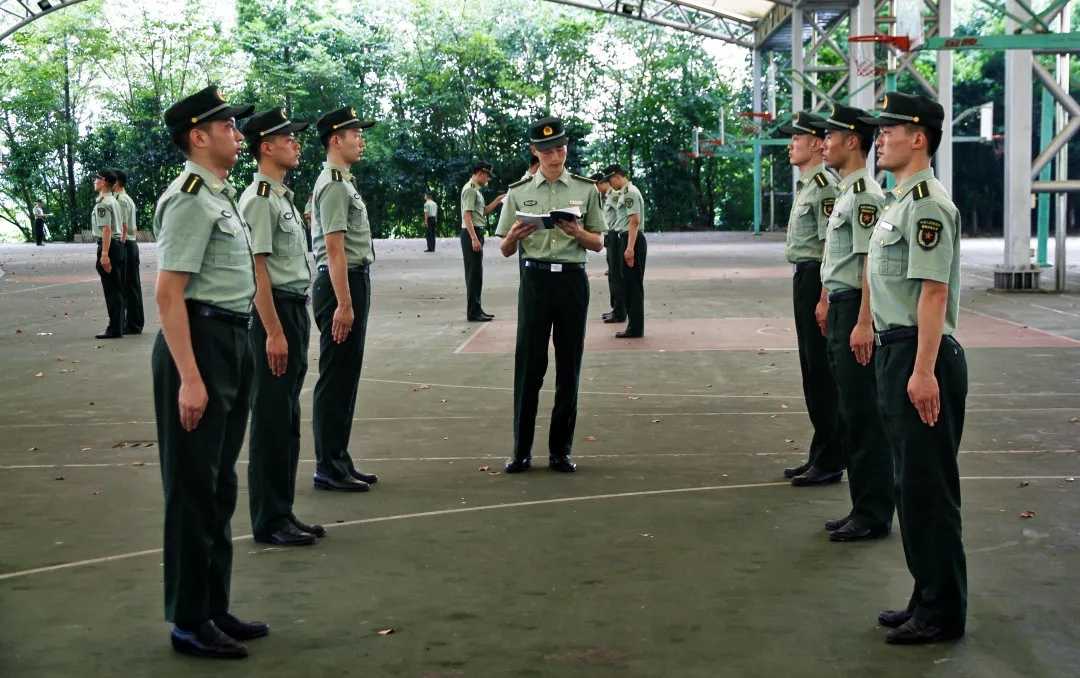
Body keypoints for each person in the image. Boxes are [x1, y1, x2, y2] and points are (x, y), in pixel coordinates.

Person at [153, 85, 267, 659]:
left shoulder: (219, 196)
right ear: (199, 136)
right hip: (196, 344)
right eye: (227, 126)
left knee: (220, 482)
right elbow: (168, 295)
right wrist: (190, 379)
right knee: (194, 487)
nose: (237, 133)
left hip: (231, 337)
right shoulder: (190, 198)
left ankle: (213, 605)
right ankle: (188, 620)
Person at [860, 92, 967, 645]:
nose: (880, 137)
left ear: (918, 137)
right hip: (896, 348)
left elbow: (933, 291)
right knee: (909, 484)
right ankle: (925, 594)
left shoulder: (927, 203)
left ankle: (942, 611)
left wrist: (923, 370)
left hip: (921, 353)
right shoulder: (900, 200)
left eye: (889, 130)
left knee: (928, 489)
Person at [495, 116, 604, 474]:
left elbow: (599, 243)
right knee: (529, 366)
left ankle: (560, 450)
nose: (554, 155)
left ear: (566, 148)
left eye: (559, 147)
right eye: (546, 150)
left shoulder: (586, 189)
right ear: (534, 152)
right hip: (536, 282)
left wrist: (576, 232)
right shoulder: (518, 191)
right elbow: (506, 249)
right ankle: (521, 451)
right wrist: (515, 235)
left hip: (572, 281)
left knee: (569, 367)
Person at [238, 108, 323, 546]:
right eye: (287, 137)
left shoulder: (282, 197)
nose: (296, 143)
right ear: (266, 147)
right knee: (271, 418)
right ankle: (269, 520)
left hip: (293, 309)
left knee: (287, 416)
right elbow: (258, 271)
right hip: (274, 314)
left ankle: (283, 511)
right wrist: (272, 330)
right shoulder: (258, 200)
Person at [810, 105, 894, 542]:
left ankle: (874, 511)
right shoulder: (847, 190)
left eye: (831, 135)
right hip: (841, 304)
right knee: (850, 410)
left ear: (852, 141)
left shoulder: (864, 195)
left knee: (863, 414)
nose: (824, 142)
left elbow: (867, 263)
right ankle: (862, 506)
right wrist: (826, 296)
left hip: (856, 310)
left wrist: (863, 321)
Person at [309, 106, 381, 492]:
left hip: (350, 281)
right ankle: (328, 465)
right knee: (336, 376)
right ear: (335, 139)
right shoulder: (334, 183)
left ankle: (339, 458)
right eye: (355, 133)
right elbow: (334, 249)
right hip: (341, 284)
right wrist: (345, 303)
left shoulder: (342, 181)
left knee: (346, 375)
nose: (360, 138)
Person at [777, 112, 844, 487]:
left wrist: (824, 298)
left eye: (798, 138)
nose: (792, 144)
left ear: (819, 144)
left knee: (821, 373)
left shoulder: (824, 188)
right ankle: (821, 452)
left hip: (817, 280)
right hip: (803, 277)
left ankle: (831, 458)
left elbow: (829, 249)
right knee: (810, 370)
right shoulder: (807, 184)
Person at [604, 164, 647, 338]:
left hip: (632, 241)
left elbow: (634, 221)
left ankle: (636, 328)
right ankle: (633, 326)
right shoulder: (624, 192)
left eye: (610, 179)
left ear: (617, 176)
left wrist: (629, 249)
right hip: (626, 239)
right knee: (628, 285)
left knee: (633, 287)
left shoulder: (630, 192)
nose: (610, 183)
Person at [460, 161, 503, 322]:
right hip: (471, 233)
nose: (488, 179)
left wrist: (498, 200)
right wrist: (473, 238)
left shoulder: (476, 191)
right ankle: (473, 312)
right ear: (480, 173)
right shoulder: (470, 190)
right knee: (473, 275)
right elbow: (467, 215)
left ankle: (476, 309)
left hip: (476, 232)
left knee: (476, 275)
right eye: (487, 176)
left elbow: (483, 212)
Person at [91, 169, 126, 339]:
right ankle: (118, 326)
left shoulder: (103, 203)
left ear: (104, 181)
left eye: (97, 178)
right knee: (116, 289)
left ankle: (114, 328)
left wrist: (104, 254)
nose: (94, 181)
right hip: (117, 245)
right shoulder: (114, 201)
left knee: (111, 290)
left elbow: (106, 229)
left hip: (109, 246)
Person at [114, 170, 145, 335]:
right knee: (131, 285)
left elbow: (124, 226)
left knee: (129, 286)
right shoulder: (125, 198)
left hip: (126, 244)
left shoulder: (122, 200)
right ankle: (133, 322)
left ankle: (133, 323)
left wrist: (120, 246)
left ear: (117, 182)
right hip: (130, 244)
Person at [594, 171, 623, 323]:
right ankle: (615, 309)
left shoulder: (614, 195)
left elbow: (623, 214)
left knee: (616, 276)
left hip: (615, 236)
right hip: (610, 236)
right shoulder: (607, 196)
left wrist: (616, 233)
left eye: (595, 185)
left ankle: (619, 311)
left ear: (601, 183)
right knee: (612, 275)